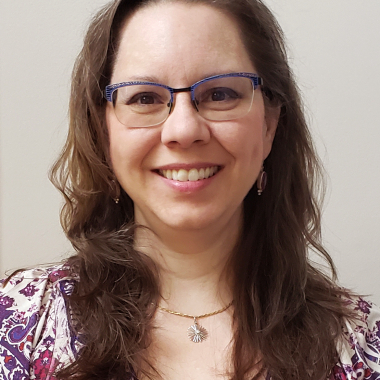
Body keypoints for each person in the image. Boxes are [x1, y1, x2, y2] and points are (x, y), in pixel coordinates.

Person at [0, 0, 379, 379]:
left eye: (220, 94)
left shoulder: (360, 345)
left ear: (269, 126)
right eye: (144, 98)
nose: (183, 130)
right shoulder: (16, 322)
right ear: (104, 134)